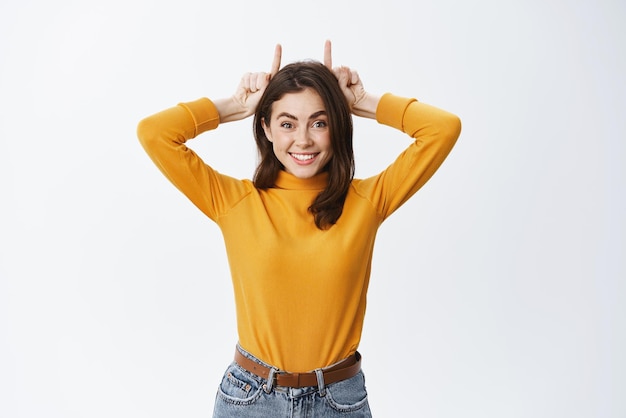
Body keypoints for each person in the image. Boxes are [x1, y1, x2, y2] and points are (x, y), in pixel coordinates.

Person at [137, 41, 461, 417]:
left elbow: (443, 129)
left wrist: (362, 100)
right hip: (250, 399)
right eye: (287, 123)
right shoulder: (235, 202)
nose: (303, 139)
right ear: (266, 128)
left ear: (336, 128)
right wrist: (236, 105)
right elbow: (154, 133)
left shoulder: (366, 201)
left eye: (319, 122)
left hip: (339, 400)